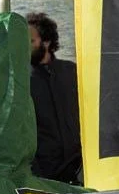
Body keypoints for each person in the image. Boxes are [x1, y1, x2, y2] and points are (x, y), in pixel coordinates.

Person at [25, 12, 82, 184]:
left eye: (31, 41)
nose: (25, 47)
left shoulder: (72, 71)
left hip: (78, 167)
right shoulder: (21, 80)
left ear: (46, 42)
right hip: (43, 173)